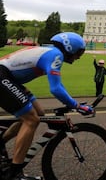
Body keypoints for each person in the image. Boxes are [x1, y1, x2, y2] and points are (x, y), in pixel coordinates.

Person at [0, 32, 93, 180]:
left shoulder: (50, 51)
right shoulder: (56, 55)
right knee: (31, 120)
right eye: (79, 52)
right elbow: (55, 89)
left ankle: (1, 141)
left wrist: (72, 103)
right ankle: (15, 173)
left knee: (39, 112)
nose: (79, 56)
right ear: (70, 47)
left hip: (8, 77)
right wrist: (76, 105)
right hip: (3, 77)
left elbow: (58, 84)